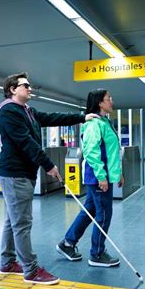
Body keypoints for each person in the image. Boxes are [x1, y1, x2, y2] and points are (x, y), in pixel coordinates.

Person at [0, 72, 99, 285]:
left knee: (12, 220)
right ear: (13, 89)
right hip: (15, 174)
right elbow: (26, 142)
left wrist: (82, 116)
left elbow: (53, 118)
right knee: (22, 223)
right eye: (25, 85)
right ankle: (31, 270)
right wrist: (49, 165)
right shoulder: (9, 112)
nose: (30, 88)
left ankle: (7, 262)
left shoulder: (28, 111)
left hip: (22, 174)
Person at [56, 88, 124, 267]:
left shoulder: (105, 122)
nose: (112, 101)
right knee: (104, 214)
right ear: (100, 103)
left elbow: (110, 151)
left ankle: (68, 243)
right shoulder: (95, 124)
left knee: (89, 211)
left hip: (102, 175)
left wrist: (118, 173)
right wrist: (102, 177)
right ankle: (97, 254)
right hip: (97, 177)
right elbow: (92, 152)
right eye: (109, 98)